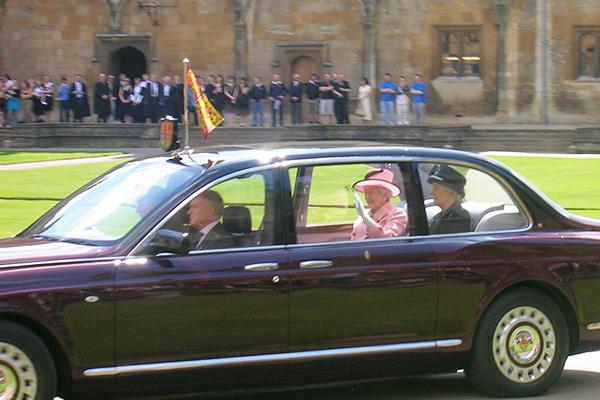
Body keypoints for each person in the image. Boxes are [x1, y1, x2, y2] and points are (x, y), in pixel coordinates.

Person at [351, 169, 408, 240]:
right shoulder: (365, 213)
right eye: (366, 192)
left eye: (371, 192)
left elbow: (386, 240)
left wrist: (365, 217)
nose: (367, 196)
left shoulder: (398, 214)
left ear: (385, 193)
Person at [427, 165, 470, 234]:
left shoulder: (458, 217)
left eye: (436, 188)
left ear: (451, 192)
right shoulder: (439, 216)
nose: (432, 193)